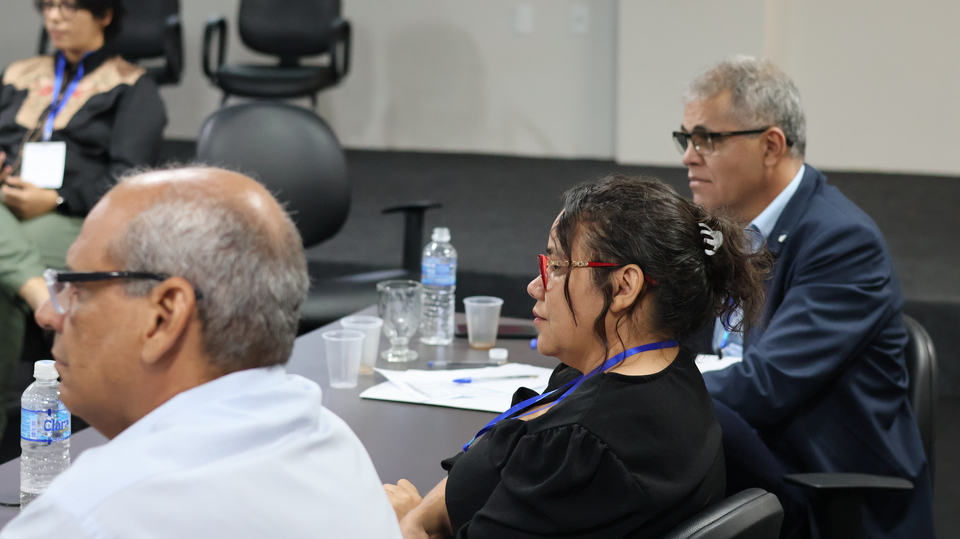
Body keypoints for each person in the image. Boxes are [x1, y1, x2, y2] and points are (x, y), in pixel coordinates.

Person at [0, 167, 402, 538]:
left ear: (163, 316)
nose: (48, 313)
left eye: (78, 288)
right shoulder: (335, 444)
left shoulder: (93, 513)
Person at [385, 175, 770, 538]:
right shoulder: (659, 372)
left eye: (556, 266)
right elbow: (492, 458)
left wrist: (402, 525)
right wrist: (421, 517)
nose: (535, 286)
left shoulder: (583, 447)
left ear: (623, 286)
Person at [674, 56, 935, 538]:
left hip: (821, 491)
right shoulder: (722, 227)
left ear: (771, 145)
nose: (689, 156)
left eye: (706, 139)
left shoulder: (842, 241)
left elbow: (765, 384)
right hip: (748, 461)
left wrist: (646, 396)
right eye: (685, 139)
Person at [0, 0, 166, 431]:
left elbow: (128, 180)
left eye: (69, 6)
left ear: (104, 15)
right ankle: (39, 293)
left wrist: (56, 199)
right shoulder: (19, 75)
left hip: (74, 219)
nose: (54, 17)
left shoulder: (133, 86)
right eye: (49, 6)